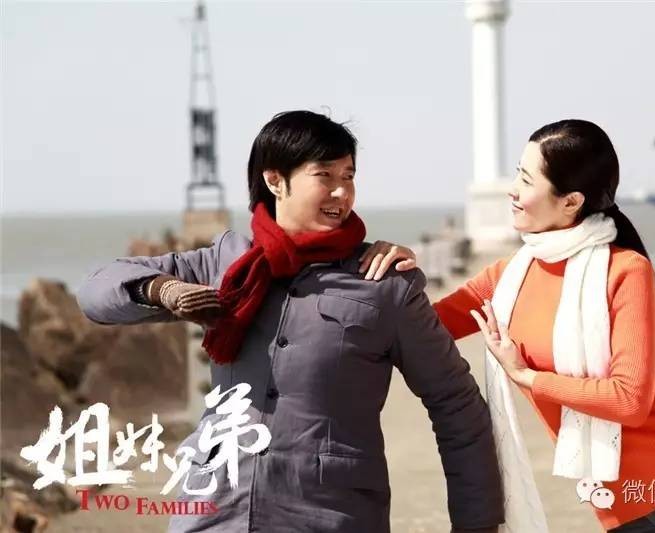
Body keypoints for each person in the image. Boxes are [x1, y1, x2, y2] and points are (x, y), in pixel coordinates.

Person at [77, 110, 504, 533]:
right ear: (275, 180)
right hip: (214, 513)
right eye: (325, 176)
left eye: (349, 176)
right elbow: (96, 291)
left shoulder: (385, 283)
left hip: (330, 515)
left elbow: (454, 403)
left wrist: (477, 523)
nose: (342, 192)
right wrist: (162, 290)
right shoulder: (226, 263)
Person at [363, 119, 655, 532]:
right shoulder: (507, 277)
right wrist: (403, 270)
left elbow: (630, 400)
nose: (513, 191)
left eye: (527, 181)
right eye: (517, 174)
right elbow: (415, 328)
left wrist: (529, 377)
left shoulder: (625, 270)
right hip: (622, 504)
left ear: (571, 201)